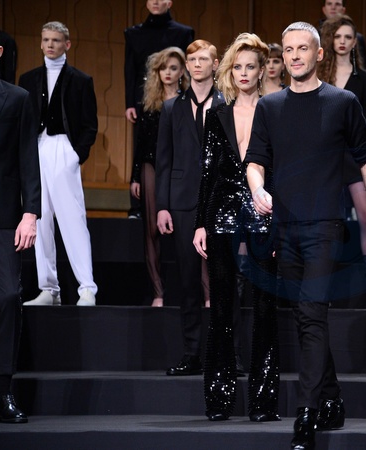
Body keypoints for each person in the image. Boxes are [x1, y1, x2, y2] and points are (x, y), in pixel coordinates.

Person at [245, 21, 366, 450]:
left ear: (318, 54)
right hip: (284, 227)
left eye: (302, 49)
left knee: (312, 314)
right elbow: (255, 160)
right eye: (288, 50)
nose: (294, 56)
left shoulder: (343, 102)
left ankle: (306, 415)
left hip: (325, 225)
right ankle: (332, 399)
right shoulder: (270, 106)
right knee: (305, 316)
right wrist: (257, 189)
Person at [193, 33, 279, 422]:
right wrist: (200, 223)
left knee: (264, 307)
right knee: (222, 308)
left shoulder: (274, 112)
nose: (243, 73)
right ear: (230, 71)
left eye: (251, 67)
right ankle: (219, 399)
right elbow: (207, 172)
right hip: (222, 213)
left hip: (263, 212)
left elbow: (282, 171)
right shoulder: (217, 115)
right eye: (238, 67)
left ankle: (263, 403)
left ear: (262, 71)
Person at [20, 21, 98, 307]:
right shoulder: (28, 79)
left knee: (72, 219)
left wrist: (76, 155)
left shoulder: (81, 80)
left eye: (55, 40)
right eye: (46, 40)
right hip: (36, 149)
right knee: (38, 219)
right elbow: (23, 121)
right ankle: (48, 288)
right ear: (40, 43)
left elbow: (89, 125)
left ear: (67, 44)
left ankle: (86, 287)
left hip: (65, 149)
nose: (50, 45)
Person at [155, 39, 222, 376]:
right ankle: (192, 353)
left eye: (203, 59)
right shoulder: (171, 108)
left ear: (215, 64)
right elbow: (163, 160)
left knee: (224, 281)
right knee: (188, 282)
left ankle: (227, 355)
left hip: (219, 202)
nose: (197, 65)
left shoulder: (228, 104)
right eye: (192, 60)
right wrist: (162, 206)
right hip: (181, 203)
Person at [317, 14, 366, 309]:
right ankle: (325, 289)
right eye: (338, 36)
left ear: (355, 42)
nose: (343, 42)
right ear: (330, 40)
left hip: (354, 156)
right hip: (326, 157)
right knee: (328, 222)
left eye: (348, 37)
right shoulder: (320, 76)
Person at [0, 39, 40, 424]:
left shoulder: (17, 98)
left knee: (9, 297)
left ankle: (3, 391)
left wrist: (30, 213)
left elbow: (28, 157)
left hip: (4, 216)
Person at [124, 0, 194, 219]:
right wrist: (129, 103)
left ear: (169, 2)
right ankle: (137, 207)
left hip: (177, 103)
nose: (155, 1)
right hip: (146, 102)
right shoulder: (133, 34)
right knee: (144, 145)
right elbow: (130, 70)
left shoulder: (183, 33)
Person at [130, 47, 188, 307]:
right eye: (163, 68)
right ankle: (158, 293)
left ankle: (203, 293)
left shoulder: (188, 102)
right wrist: (135, 177)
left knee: (185, 228)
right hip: (150, 167)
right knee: (152, 230)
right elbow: (140, 143)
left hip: (180, 169)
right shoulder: (149, 104)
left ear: (182, 71)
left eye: (173, 68)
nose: (168, 73)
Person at [319, 0, 366, 68]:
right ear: (324, 9)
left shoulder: (358, 38)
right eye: (329, 4)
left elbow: (362, 66)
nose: (333, 7)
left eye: (337, 4)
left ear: (343, 10)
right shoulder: (316, 36)